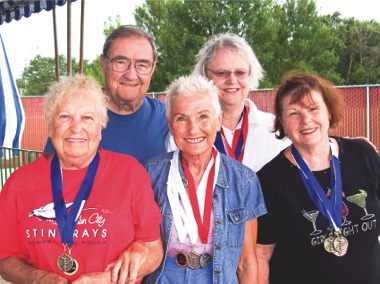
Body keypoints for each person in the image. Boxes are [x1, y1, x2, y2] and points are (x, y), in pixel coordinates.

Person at [0, 74, 163, 283]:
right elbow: (5, 258)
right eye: (64, 117)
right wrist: (37, 278)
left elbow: (154, 249)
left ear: (101, 126)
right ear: (50, 126)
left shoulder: (130, 173)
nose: (76, 127)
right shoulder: (19, 183)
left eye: (87, 118)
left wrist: (105, 279)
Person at [256, 72, 380, 284]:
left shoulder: (363, 155)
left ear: (328, 112)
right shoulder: (269, 180)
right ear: (282, 122)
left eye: (314, 109)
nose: (306, 120)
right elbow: (260, 257)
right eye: (294, 113)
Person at [142, 75, 267, 283]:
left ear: (218, 121)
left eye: (203, 117)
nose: (193, 129)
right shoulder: (150, 174)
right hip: (165, 276)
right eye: (181, 118)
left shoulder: (244, 181)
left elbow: (246, 263)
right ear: (171, 125)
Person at [44, 25, 173, 163]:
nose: (131, 74)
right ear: (103, 64)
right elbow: (49, 173)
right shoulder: (75, 115)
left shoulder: (167, 117)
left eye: (142, 65)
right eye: (121, 62)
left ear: (152, 69)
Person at [192, 33, 290, 172]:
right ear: (204, 75)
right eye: (221, 73)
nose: (232, 80)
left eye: (240, 72)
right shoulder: (189, 131)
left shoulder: (275, 130)